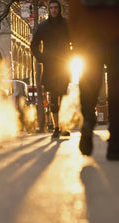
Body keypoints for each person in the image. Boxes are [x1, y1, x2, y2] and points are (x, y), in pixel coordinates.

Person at [68, 0, 119, 160]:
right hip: (118, 35)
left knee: (89, 81)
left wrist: (76, 39)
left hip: (89, 36)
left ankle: (88, 118)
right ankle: (114, 141)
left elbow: (74, 6)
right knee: (117, 86)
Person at [30, 0, 71, 139]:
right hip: (50, 66)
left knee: (63, 96)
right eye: (51, 7)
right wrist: (42, 58)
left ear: (59, 9)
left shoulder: (66, 24)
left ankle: (64, 126)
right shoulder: (43, 26)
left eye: (55, 8)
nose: (53, 10)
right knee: (54, 98)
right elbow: (33, 45)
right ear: (49, 9)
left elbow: (76, 41)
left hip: (64, 65)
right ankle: (57, 128)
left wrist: (72, 55)